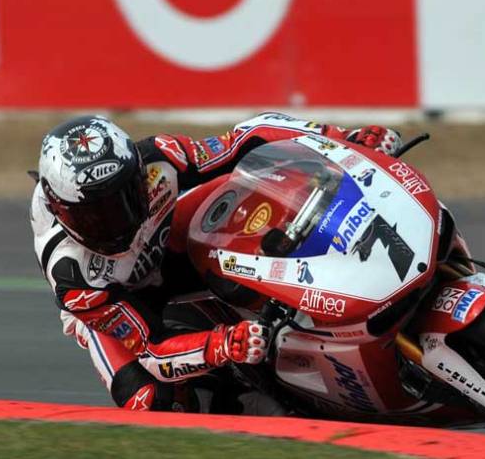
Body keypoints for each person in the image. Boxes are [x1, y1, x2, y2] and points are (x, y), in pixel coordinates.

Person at [30, 112, 402, 411]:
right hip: (116, 303)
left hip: (167, 239)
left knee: (260, 193)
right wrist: (223, 345)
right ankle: (240, 405)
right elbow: (152, 349)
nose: (115, 223)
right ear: (59, 209)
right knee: (149, 401)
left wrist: (342, 138)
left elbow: (248, 137)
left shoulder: (162, 159)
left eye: (125, 198)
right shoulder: (73, 275)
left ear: (138, 172)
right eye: (94, 216)